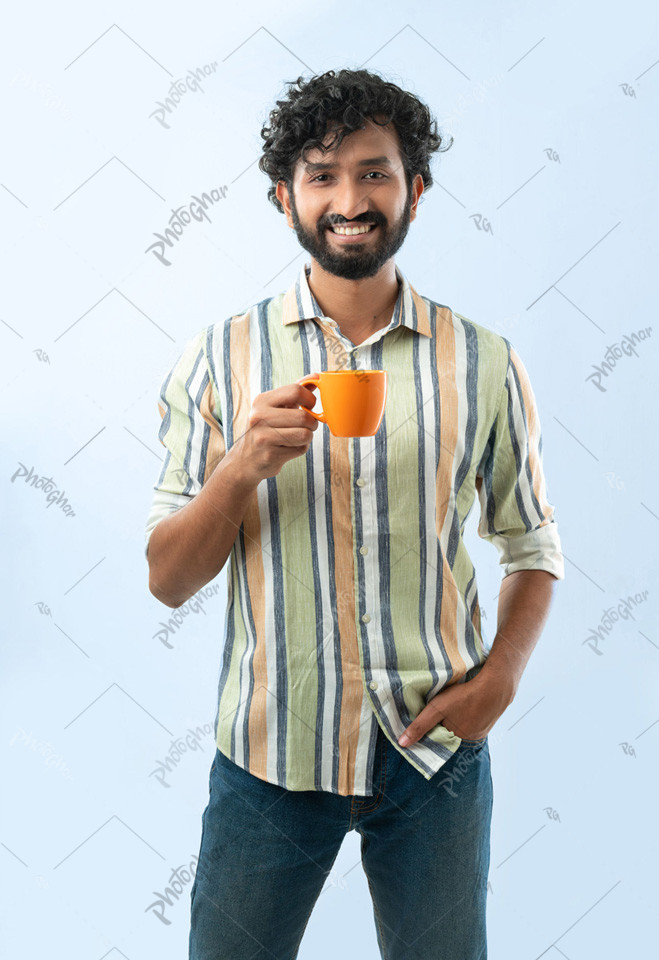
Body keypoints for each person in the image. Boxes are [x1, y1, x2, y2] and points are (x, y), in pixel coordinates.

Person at [145, 68, 565, 960]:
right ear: (283, 197)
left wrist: (501, 681)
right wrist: (239, 470)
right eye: (322, 174)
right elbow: (168, 580)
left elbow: (530, 542)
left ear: (414, 190)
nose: (349, 199)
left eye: (374, 172)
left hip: (434, 756)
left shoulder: (482, 360)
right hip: (269, 757)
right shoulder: (217, 358)